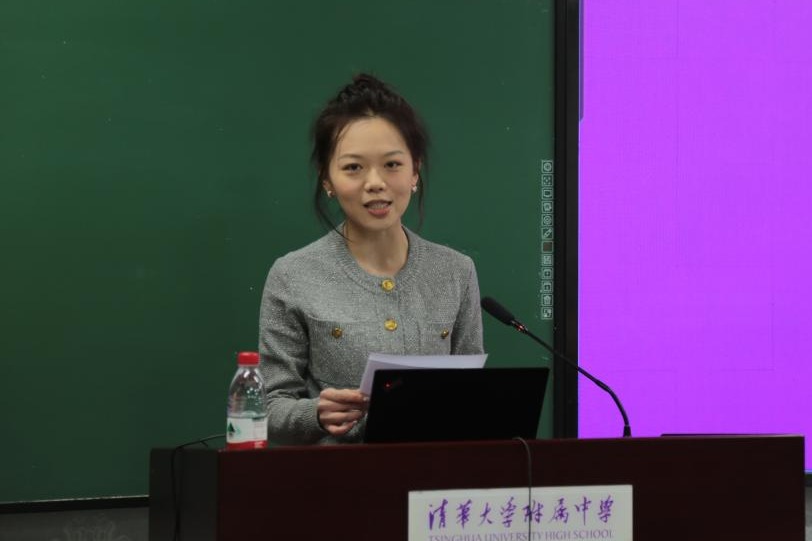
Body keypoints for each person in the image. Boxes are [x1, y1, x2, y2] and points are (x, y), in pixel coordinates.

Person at [258, 73, 484, 445]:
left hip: (436, 475)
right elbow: (267, 407)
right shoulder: (293, 275)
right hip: (339, 475)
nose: (375, 182)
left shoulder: (456, 272)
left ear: (415, 170)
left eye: (392, 164)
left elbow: (472, 396)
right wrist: (315, 414)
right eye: (353, 167)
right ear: (327, 179)